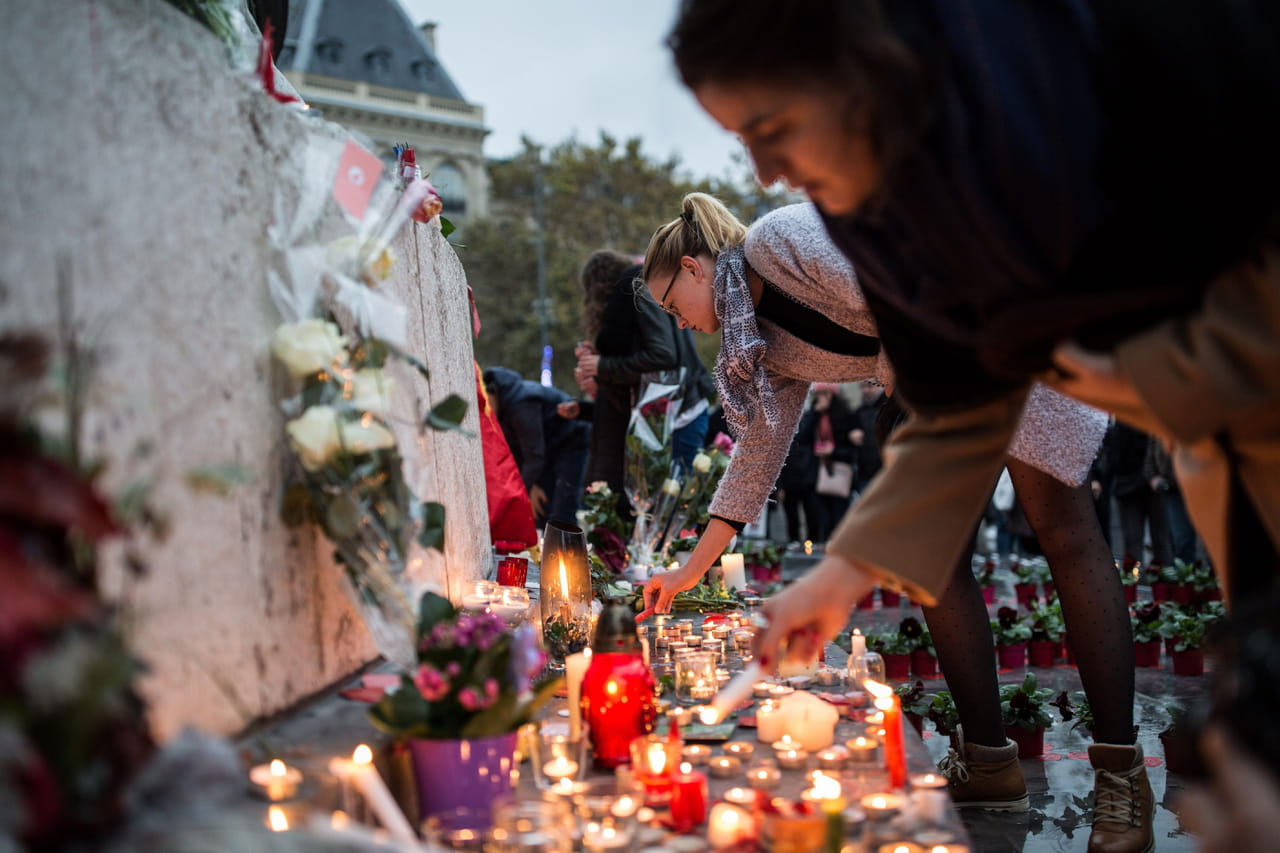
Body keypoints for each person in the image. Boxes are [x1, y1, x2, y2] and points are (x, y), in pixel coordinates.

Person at [655, 3, 1280, 848]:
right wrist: (837, 580)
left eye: (772, 128)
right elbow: (953, 395)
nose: (766, 175)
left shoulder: (1097, 57)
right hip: (1207, 424)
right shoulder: (881, 215)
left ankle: (1120, 767)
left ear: (862, 64)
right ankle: (996, 757)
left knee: (1070, 533)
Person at [635, 194, 1134, 827]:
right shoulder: (759, 344)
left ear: (693, 266)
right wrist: (688, 571)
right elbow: (755, 457)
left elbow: (907, 297)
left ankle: (1122, 781)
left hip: (1003, 324)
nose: (678, 323)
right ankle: (990, 764)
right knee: (934, 563)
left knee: (1064, 535)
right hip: (936, 383)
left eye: (672, 304)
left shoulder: (778, 240)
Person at [481, 367, 589, 526]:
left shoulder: (521, 404)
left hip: (570, 442)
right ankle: (544, 546)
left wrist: (522, 492)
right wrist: (532, 486)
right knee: (540, 506)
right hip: (545, 453)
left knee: (562, 507)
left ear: (491, 394)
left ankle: (566, 548)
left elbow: (534, 456)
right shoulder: (503, 409)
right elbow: (518, 453)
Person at [794, 383, 857, 541]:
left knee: (839, 521)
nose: (822, 398)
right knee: (821, 520)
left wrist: (833, 451)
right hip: (815, 475)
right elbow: (800, 438)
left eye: (825, 393)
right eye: (819, 394)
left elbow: (853, 451)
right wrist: (815, 413)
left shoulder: (846, 416)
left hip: (839, 474)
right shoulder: (813, 415)